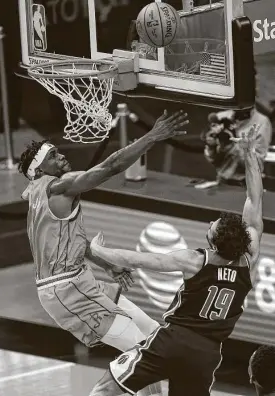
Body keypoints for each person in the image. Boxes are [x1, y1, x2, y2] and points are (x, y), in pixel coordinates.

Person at [18, 110, 188, 396]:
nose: (60, 156)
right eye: (53, 156)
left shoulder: (39, 193)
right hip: (67, 291)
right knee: (144, 356)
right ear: (40, 171)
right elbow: (110, 166)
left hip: (78, 282)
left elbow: (71, 242)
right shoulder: (60, 187)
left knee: (156, 338)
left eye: (58, 152)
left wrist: (105, 264)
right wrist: (152, 136)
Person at [89, 123, 263, 396]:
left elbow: (138, 259)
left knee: (106, 389)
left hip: (172, 341)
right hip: (206, 355)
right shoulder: (249, 262)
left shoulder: (195, 261)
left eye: (212, 226)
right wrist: (250, 154)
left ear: (214, 243)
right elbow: (254, 199)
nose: (209, 222)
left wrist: (97, 251)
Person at [198, 107, 272, 189]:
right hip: (222, 182)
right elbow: (213, 160)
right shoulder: (221, 116)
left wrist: (232, 147)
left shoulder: (262, 122)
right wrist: (211, 146)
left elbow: (257, 165)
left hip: (247, 185)